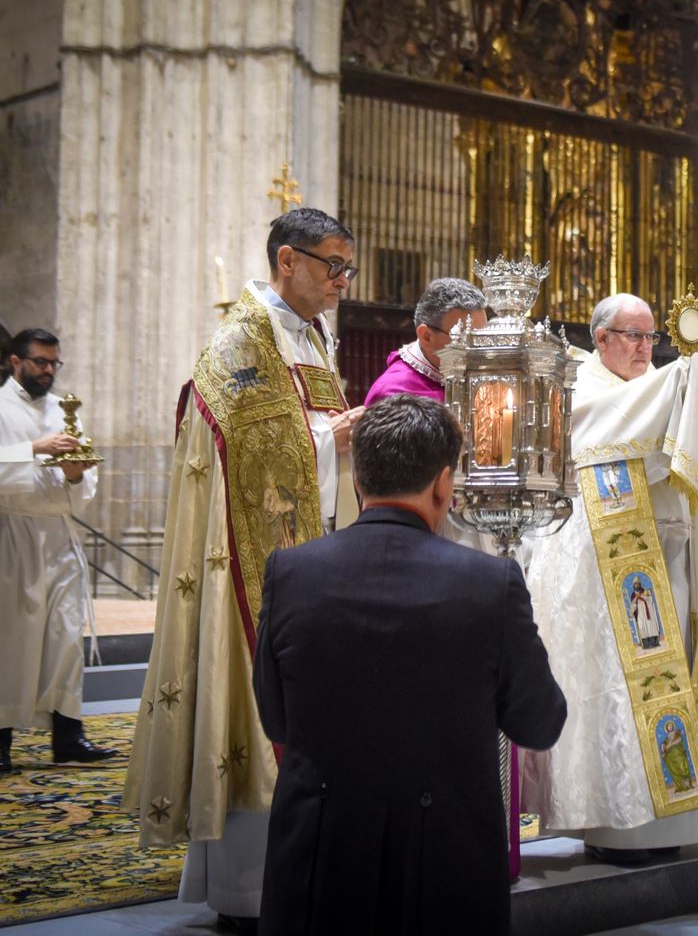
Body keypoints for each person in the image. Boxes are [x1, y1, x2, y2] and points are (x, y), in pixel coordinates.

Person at [125, 208, 365, 931]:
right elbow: (259, 457)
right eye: (333, 265)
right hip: (249, 571)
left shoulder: (313, 336)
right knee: (256, 716)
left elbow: (306, 439)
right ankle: (250, 893)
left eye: (347, 267)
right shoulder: (239, 345)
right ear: (287, 260)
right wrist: (332, 438)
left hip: (313, 558)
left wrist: (334, 440)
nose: (342, 282)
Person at [252, 396, 565, 936]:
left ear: (358, 482)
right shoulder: (490, 585)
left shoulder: (289, 573)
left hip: (319, 859)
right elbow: (540, 721)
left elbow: (276, 719)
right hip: (446, 866)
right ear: (444, 485)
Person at [516, 293, 698, 864]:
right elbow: (601, 433)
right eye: (632, 335)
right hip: (607, 575)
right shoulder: (581, 387)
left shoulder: (665, 384)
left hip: (671, 559)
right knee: (619, 695)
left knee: (679, 679)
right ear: (600, 338)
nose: (644, 347)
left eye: (651, 337)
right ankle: (619, 824)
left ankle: (680, 817)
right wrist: (682, 380)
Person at [0, 328, 113, 775]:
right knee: (13, 638)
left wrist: (73, 475)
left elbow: (85, 485)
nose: (48, 371)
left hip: (59, 535)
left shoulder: (65, 410)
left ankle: (68, 738)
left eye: (54, 364)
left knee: (66, 636)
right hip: (14, 532)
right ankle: (1, 743)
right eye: (40, 362)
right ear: (15, 362)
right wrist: (34, 448)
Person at [363, 277, 489, 405]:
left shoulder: (479, 378)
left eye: (482, 340)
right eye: (464, 341)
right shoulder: (393, 395)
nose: (478, 354)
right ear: (426, 336)